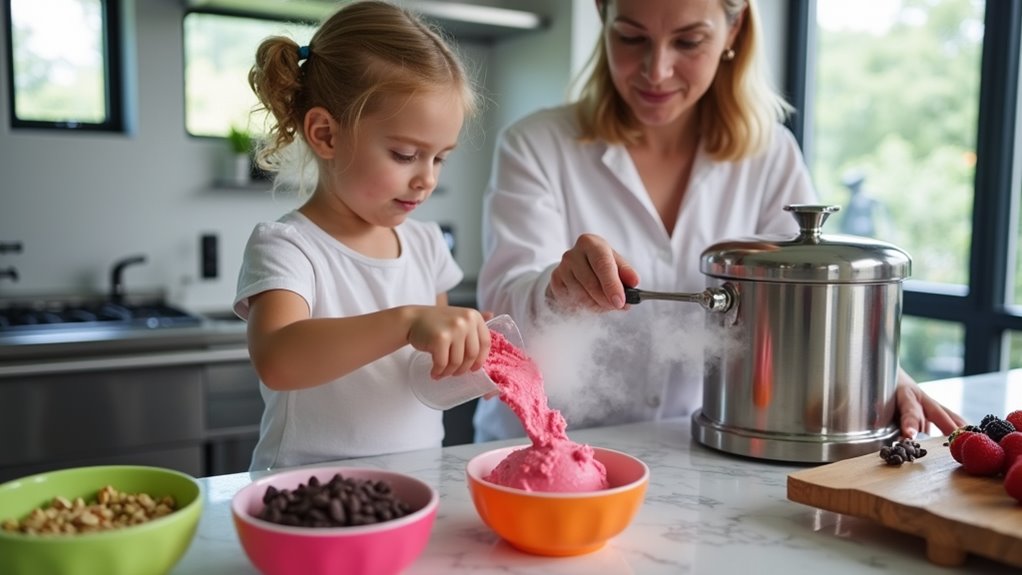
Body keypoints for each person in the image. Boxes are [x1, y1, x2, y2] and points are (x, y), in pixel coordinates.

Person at [474, 0, 965, 443]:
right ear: (603, 15)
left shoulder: (770, 155)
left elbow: (808, 297)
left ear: (733, 30)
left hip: (693, 454)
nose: (657, 70)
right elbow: (498, 324)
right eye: (631, 37)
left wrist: (878, 372)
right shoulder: (535, 144)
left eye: (688, 41)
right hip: (532, 451)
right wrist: (557, 290)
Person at [236, 0, 489, 471]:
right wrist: (408, 321)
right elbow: (278, 359)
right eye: (405, 154)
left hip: (414, 488)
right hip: (305, 495)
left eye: (439, 158)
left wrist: (472, 357)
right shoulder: (288, 246)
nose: (427, 179)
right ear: (326, 134)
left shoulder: (427, 245)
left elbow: (425, 379)